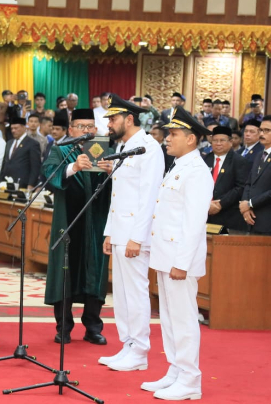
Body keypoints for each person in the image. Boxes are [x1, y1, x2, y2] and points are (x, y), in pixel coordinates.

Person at [142, 106, 213, 401]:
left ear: (191, 138)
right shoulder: (179, 166)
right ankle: (175, 370)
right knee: (170, 319)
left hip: (179, 259)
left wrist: (181, 263)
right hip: (166, 255)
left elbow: (194, 224)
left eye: (173, 134)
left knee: (183, 321)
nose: (167, 139)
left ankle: (190, 379)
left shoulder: (196, 172)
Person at [99, 94, 164, 371]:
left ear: (128, 119)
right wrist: (110, 232)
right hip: (121, 232)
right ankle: (127, 345)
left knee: (136, 293)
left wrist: (136, 237)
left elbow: (149, 197)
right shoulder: (125, 147)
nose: (108, 124)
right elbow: (119, 195)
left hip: (136, 235)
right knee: (122, 293)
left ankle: (140, 350)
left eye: (113, 119)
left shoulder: (148, 148)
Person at [43, 108, 112, 345]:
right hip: (68, 222)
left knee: (96, 271)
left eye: (90, 126)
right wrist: (73, 168)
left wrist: (112, 173)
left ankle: (93, 327)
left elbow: (120, 188)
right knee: (65, 272)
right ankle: (63, 327)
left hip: (97, 221)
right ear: (71, 129)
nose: (86, 131)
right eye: (81, 127)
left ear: (96, 129)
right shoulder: (61, 150)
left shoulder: (105, 149)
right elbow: (48, 175)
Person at [204, 126, 249, 232]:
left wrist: (221, 203)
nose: (218, 143)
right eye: (215, 140)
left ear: (230, 142)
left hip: (229, 215)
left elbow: (240, 187)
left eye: (222, 140)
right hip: (205, 214)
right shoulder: (204, 160)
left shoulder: (239, 161)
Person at [0, 117, 42, 191]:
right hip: (6, 182)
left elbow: (35, 166)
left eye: (16, 128)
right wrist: (0, 181)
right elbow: (4, 163)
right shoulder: (9, 143)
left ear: (24, 128)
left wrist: (31, 184)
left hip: (22, 183)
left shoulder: (32, 143)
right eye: (12, 128)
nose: (13, 131)